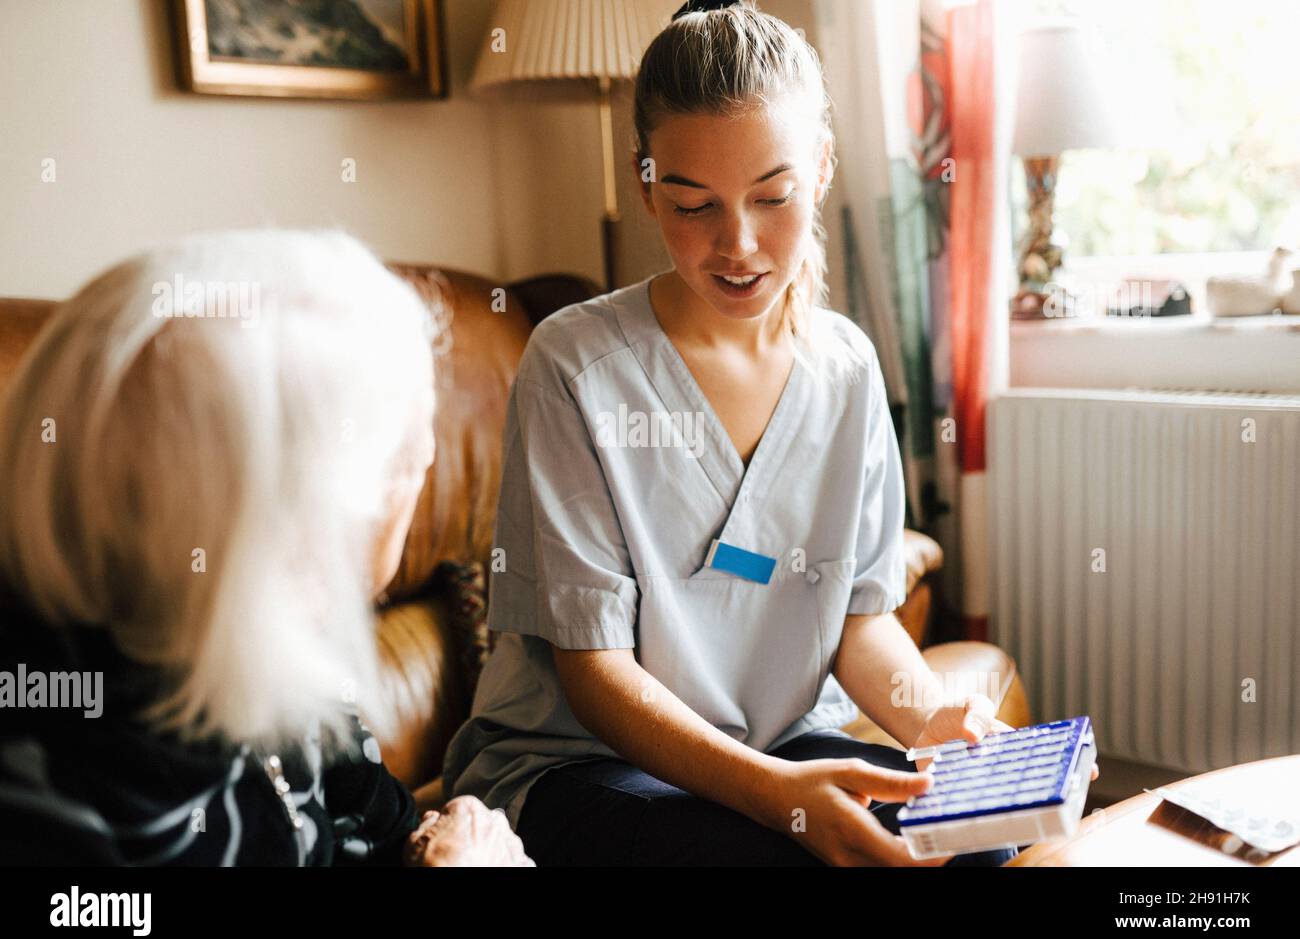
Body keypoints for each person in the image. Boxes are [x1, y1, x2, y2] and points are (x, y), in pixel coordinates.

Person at [441, 0, 1097, 866]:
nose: (737, 243)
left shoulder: (847, 371)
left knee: (970, 850)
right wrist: (777, 797)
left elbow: (858, 620)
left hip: (782, 745)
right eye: (692, 203)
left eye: (772, 196)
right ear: (644, 183)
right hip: (583, 766)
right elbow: (593, 676)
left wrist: (926, 714)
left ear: (820, 168)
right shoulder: (576, 365)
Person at [0, 230, 531, 866]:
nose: (423, 469)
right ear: (311, 530)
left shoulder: (289, 661)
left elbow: (383, 836)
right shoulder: (46, 788)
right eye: (411, 455)